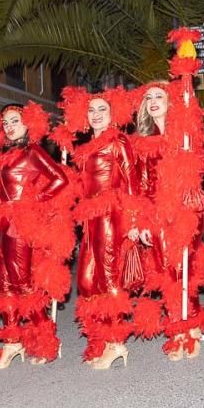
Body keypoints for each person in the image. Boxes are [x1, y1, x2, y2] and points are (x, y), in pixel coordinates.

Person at [0, 103, 70, 369]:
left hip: (22, 226)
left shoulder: (33, 151)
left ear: (28, 123)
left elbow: (59, 179)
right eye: (5, 122)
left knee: (22, 283)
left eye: (14, 120)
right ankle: (12, 341)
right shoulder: (7, 156)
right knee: (4, 282)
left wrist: (34, 202)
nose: (9, 126)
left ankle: (45, 337)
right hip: (5, 227)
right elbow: (3, 192)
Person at [132, 82, 204, 361]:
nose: (153, 101)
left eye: (159, 96)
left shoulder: (187, 133)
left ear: (171, 102)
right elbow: (141, 188)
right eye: (148, 98)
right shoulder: (142, 143)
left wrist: (192, 160)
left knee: (184, 268)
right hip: (156, 214)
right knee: (166, 272)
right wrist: (141, 221)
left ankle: (190, 327)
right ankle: (177, 330)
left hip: (186, 210)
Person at [66, 88, 142, 369]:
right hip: (90, 218)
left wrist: (134, 221)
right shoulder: (86, 147)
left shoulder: (118, 141)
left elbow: (131, 182)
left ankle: (116, 342)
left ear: (113, 114)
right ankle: (98, 338)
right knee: (87, 279)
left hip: (112, 215)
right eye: (92, 110)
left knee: (108, 276)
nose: (96, 115)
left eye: (102, 110)